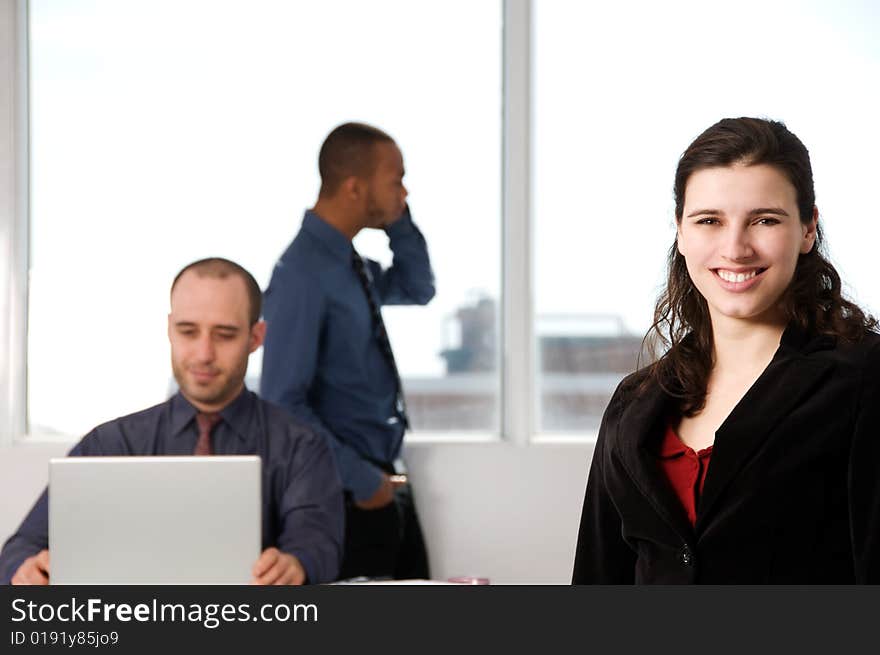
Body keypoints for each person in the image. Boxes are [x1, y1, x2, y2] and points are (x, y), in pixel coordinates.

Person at [572, 117, 880, 584]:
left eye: (764, 220)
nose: (735, 248)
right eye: (709, 220)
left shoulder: (863, 379)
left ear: (807, 228)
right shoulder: (633, 401)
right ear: (680, 230)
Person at [0, 257, 344, 585]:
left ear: (255, 338)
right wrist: (27, 568)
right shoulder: (109, 444)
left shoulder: (301, 446)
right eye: (188, 331)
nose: (203, 353)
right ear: (169, 329)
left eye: (224, 334)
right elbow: (20, 547)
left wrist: (296, 564)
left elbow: (318, 544)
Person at [260, 122, 435, 580]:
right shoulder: (302, 274)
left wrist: (400, 218)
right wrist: (361, 481)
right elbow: (282, 401)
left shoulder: (349, 264)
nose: (404, 189)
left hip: (379, 479)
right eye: (396, 178)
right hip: (345, 492)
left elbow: (419, 288)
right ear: (356, 187)